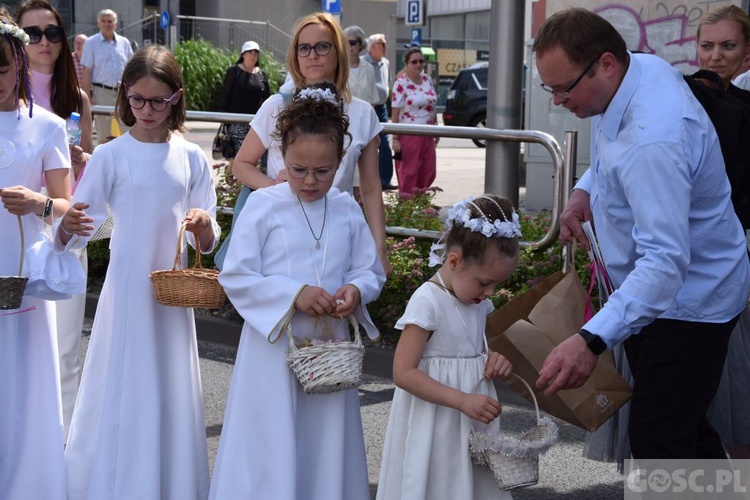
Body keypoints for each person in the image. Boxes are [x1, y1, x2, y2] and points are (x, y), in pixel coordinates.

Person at [533, 8, 750, 460]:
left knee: (658, 440)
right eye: (548, 88)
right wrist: (583, 191)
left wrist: (591, 339)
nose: (557, 100)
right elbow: (612, 154)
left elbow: (665, 263)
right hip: (663, 294)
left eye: (563, 87)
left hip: (688, 303)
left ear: (606, 63)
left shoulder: (654, 140)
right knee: (681, 427)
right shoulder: (637, 69)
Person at [209, 82, 386, 499]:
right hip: (273, 351)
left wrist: (356, 291)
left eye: (323, 171)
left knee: (325, 442)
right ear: (281, 156)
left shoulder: (344, 207)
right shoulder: (264, 205)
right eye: (299, 169)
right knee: (272, 437)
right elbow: (236, 274)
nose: (309, 181)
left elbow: (368, 268)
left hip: (329, 349)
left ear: (341, 160)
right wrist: (294, 294)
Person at [57, 45, 218, 499]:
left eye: (159, 101)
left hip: (172, 296)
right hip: (127, 290)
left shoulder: (191, 156)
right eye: (137, 99)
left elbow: (206, 238)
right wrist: (67, 226)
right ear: (125, 95)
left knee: (169, 384)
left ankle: (169, 485)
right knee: (122, 379)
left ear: (177, 98)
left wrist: (205, 226)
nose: (146, 110)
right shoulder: (110, 156)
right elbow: (82, 225)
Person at [376, 194, 518, 500]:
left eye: (496, 284)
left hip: (470, 422)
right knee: (438, 483)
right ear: (453, 261)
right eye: (484, 282)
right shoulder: (428, 301)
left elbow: (474, 351)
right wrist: (461, 400)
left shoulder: (477, 302)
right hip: (436, 422)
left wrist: (495, 360)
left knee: (472, 485)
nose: (490, 292)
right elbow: (403, 372)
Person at [230, 12, 391, 275]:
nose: (312, 55)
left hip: (337, 238)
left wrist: (380, 251)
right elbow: (241, 165)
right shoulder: (276, 106)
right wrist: (274, 186)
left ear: (338, 51)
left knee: (335, 306)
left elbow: (372, 188)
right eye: (304, 48)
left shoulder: (363, 114)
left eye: (322, 46)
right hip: (281, 234)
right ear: (295, 55)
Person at [0, 9, 75, 499]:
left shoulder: (47, 126)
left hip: (19, 276)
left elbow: (68, 208)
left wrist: (38, 203)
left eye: (2, 68)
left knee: (24, 388)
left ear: (20, 64)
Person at [16, 0, 94, 444]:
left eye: (53, 33)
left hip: (63, 230)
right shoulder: (10, 96)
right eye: (33, 34)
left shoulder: (76, 97)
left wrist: (83, 157)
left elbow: (84, 171)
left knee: (65, 349)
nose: (44, 42)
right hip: (16, 231)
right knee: (20, 346)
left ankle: (61, 453)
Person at [693, 4, 750, 460]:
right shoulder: (683, 96)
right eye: (707, 46)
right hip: (682, 265)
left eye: (727, 46)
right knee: (683, 408)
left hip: (731, 260)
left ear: (746, 54)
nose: (715, 56)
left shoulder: (741, 106)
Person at [391, 46, 439, 197]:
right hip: (409, 134)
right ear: (406, 64)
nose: (418, 64)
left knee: (428, 171)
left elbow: (432, 105)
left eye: (421, 61)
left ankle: (418, 207)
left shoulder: (427, 79)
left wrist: (436, 127)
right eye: (414, 62)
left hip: (428, 132)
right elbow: (395, 113)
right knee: (409, 173)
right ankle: (405, 211)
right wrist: (395, 138)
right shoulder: (401, 83)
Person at [80, 8, 133, 143]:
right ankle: (104, 162)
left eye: (110, 21)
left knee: (128, 129)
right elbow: (86, 71)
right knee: (104, 133)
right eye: (103, 21)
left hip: (123, 92)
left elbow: (131, 68)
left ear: (115, 23)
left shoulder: (124, 42)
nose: (107, 24)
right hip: (101, 92)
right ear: (99, 23)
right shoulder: (91, 43)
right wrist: (87, 97)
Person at [217, 40, 270, 170]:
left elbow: (267, 99)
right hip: (236, 123)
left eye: (256, 53)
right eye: (250, 52)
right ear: (243, 54)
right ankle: (233, 185)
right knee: (240, 157)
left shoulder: (262, 75)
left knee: (255, 159)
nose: (253, 55)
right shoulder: (234, 72)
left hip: (256, 123)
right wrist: (225, 120)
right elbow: (225, 95)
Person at [364, 33, 395, 190]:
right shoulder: (363, 63)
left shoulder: (386, 63)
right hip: (368, 106)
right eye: (382, 44)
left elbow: (387, 83)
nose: (385, 48)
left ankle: (385, 179)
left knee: (384, 143)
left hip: (381, 107)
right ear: (372, 47)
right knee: (367, 144)